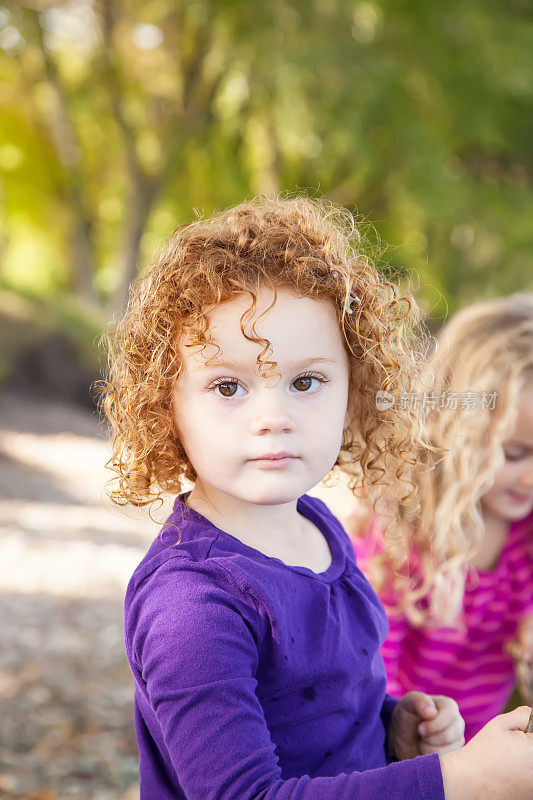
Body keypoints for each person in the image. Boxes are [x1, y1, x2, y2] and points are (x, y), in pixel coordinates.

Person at [100, 197, 533, 800]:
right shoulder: (191, 607)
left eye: (306, 382)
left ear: (354, 393)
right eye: (229, 386)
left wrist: (392, 732)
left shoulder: (317, 527)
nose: (273, 417)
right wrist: (457, 781)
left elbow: (325, 712)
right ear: (165, 407)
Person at [357, 295, 533, 742]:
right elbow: (371, 666)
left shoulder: (526, 533)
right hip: (399, 751)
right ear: (460, 432)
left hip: (485, 748)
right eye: (515, 454)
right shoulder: (404, 533)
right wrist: (409, 736)